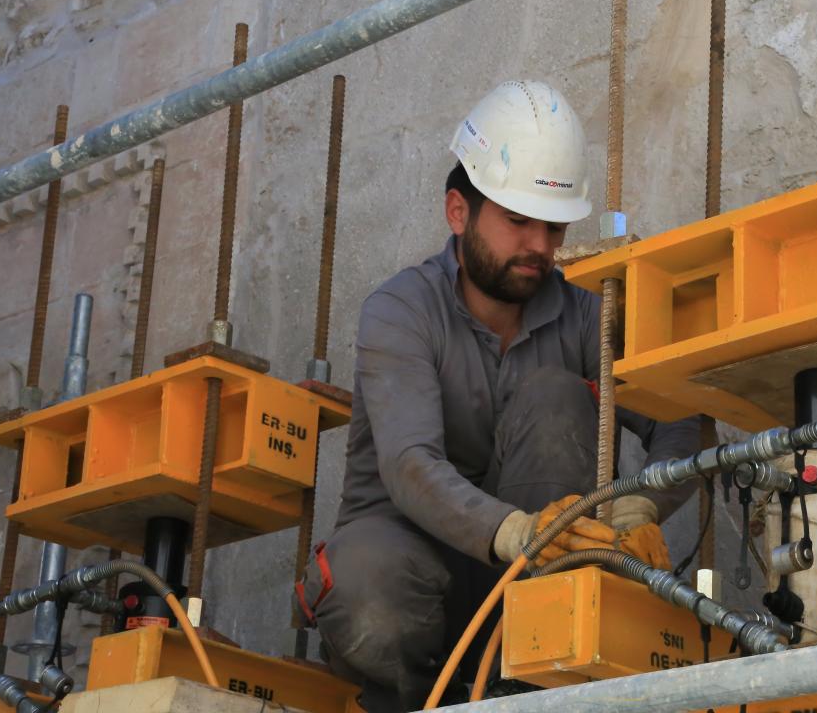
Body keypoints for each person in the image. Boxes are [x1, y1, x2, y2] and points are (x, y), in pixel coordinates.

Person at [295, 80, 700, 711]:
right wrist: (514, 531)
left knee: (557, 397)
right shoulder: (401, 311)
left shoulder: (586, 314)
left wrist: (644, 501)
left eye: (554, 227)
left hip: (531, 590)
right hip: (411, 570)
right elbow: (409, 464)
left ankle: (528, 684)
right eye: (517, 221)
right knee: (366, 580)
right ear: (459, 212)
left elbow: (684, 415)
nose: (539, 246)